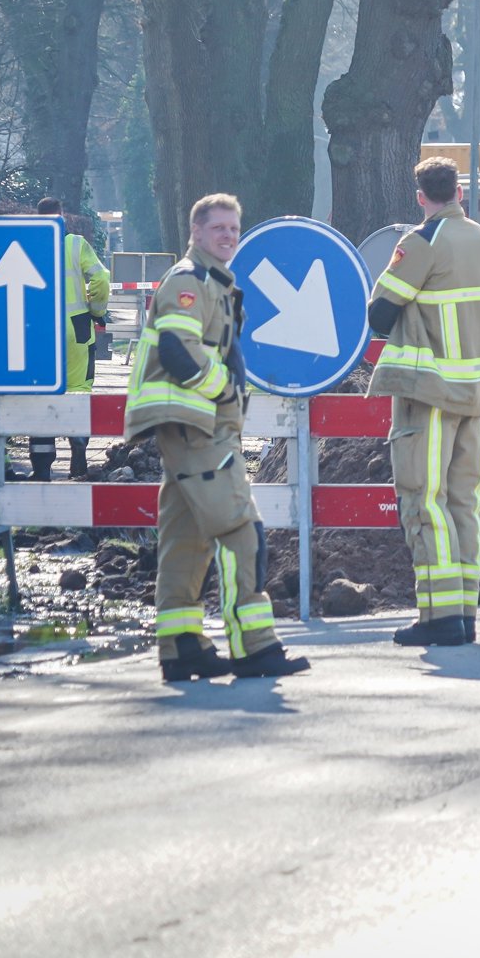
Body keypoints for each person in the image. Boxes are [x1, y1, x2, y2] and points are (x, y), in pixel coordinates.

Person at [125, 193, 308, 682]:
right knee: (240, 531)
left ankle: (182, 648)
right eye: (218, 228)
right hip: (196, 427)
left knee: (185, 543)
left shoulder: (214, 282)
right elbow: (177, 350)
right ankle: (254, 647)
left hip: (193, 428)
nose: (228, 235)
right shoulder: (190, 280)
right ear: (196, 232)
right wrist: (225, 392)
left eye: (233, 228)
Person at [367, 156, 480, 648]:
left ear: (420, 196)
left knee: (424, 499)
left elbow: (379, 314)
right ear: (460, 192)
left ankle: (438, 616)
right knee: (466, 502)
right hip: (475, 393)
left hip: (429, 392)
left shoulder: (421, 242)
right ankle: (463, 612)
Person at [29, 196, 111, 481]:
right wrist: (97, 310)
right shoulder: (76, 244)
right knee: (78, 391)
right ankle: (78, 453)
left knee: (41, 395)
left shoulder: (28, 246)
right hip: (77, 329)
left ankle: (41, 468)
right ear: (62, 216)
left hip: (39, 332)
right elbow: (100, 278)